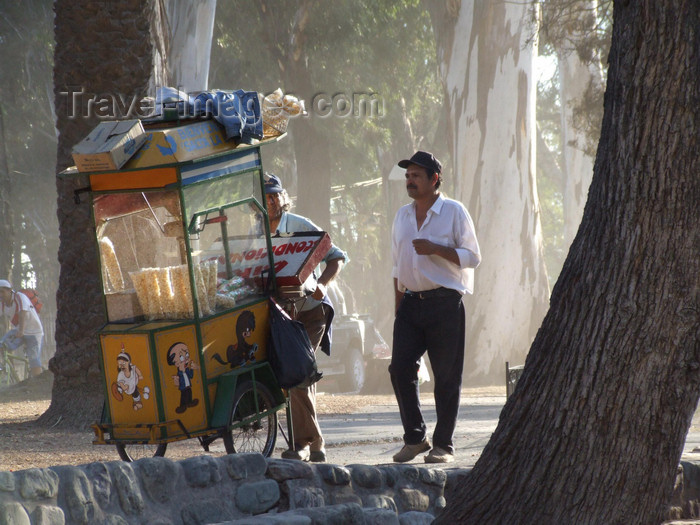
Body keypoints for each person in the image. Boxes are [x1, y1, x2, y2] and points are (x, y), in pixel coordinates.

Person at [389, 151, 481, 464]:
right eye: (407, 176)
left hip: (445, 303)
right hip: (410, 305)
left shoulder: (454, 211)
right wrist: (398, 307)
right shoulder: (402, 215)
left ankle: (444, 446)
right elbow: (396, 266)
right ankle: (415, 438)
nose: (410, 181)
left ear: (434, 179)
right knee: (399, 368)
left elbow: (473, 257)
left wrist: (436, 250)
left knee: (446, 377)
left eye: (416, 175)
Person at [263, 173, 347, 463]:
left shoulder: (299, 225)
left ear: (282, 199)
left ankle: (303, 443)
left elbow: (336, 257)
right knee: (293, 376)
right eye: (264, 197)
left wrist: (322, 284)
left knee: (298, 370)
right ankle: (314, 440)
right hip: (280, 316)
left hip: (311, 313)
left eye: (274, 195)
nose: (270, 201)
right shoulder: (255, 232)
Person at [0, 280, 44, 377]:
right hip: (19, 331)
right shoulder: (2, 303)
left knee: (33, 359)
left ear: (10, 291)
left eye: (2, 291)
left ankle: (38, 382)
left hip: (34, 333)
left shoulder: (19, 297)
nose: (0, 295)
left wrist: (21, 331)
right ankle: (10, 372)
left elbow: (22, 313)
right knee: (1, 345)